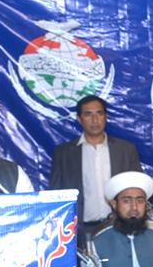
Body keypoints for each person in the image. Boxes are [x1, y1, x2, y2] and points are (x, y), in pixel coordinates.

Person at [48, 95, 142, 232]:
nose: (95, 120)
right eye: (88, 114)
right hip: (80, 229)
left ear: (106, 116)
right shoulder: (64, 153)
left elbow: (137, 189)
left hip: (119, 227)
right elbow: (55, 193)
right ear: (79, 119)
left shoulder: (126, 150)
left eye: (99, 113)